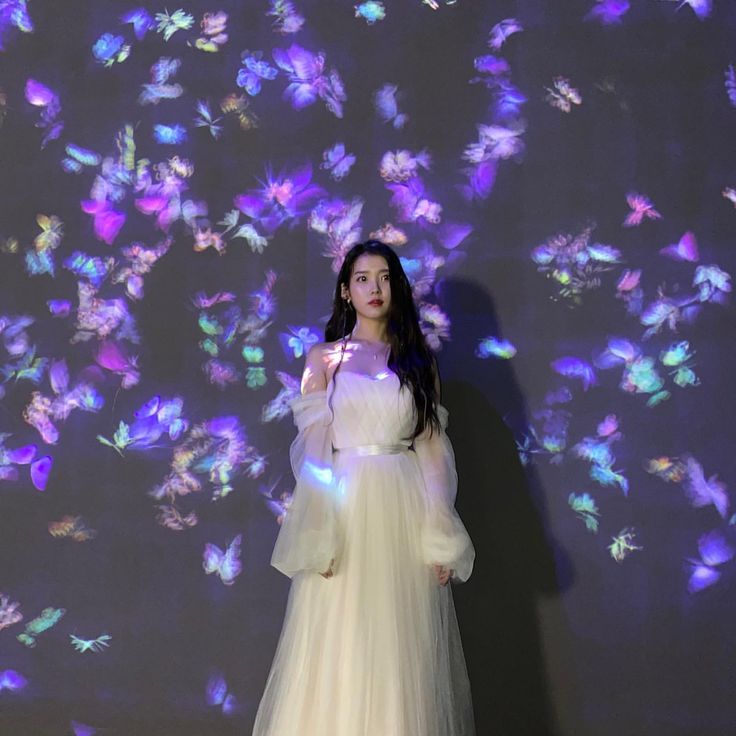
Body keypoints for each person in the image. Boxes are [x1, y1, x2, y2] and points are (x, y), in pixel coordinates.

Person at [252, 240, 476, 736]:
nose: (374, 288)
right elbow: (314, 455)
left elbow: (434, 454)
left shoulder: (418, 362)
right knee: (342, 641)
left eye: (384, 277)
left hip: (402, 511)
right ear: (345, 291)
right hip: (347, 510)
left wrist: (439, 533)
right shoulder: (324, 359)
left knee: (399, 651)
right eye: (362, 278)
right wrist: (317, 529)